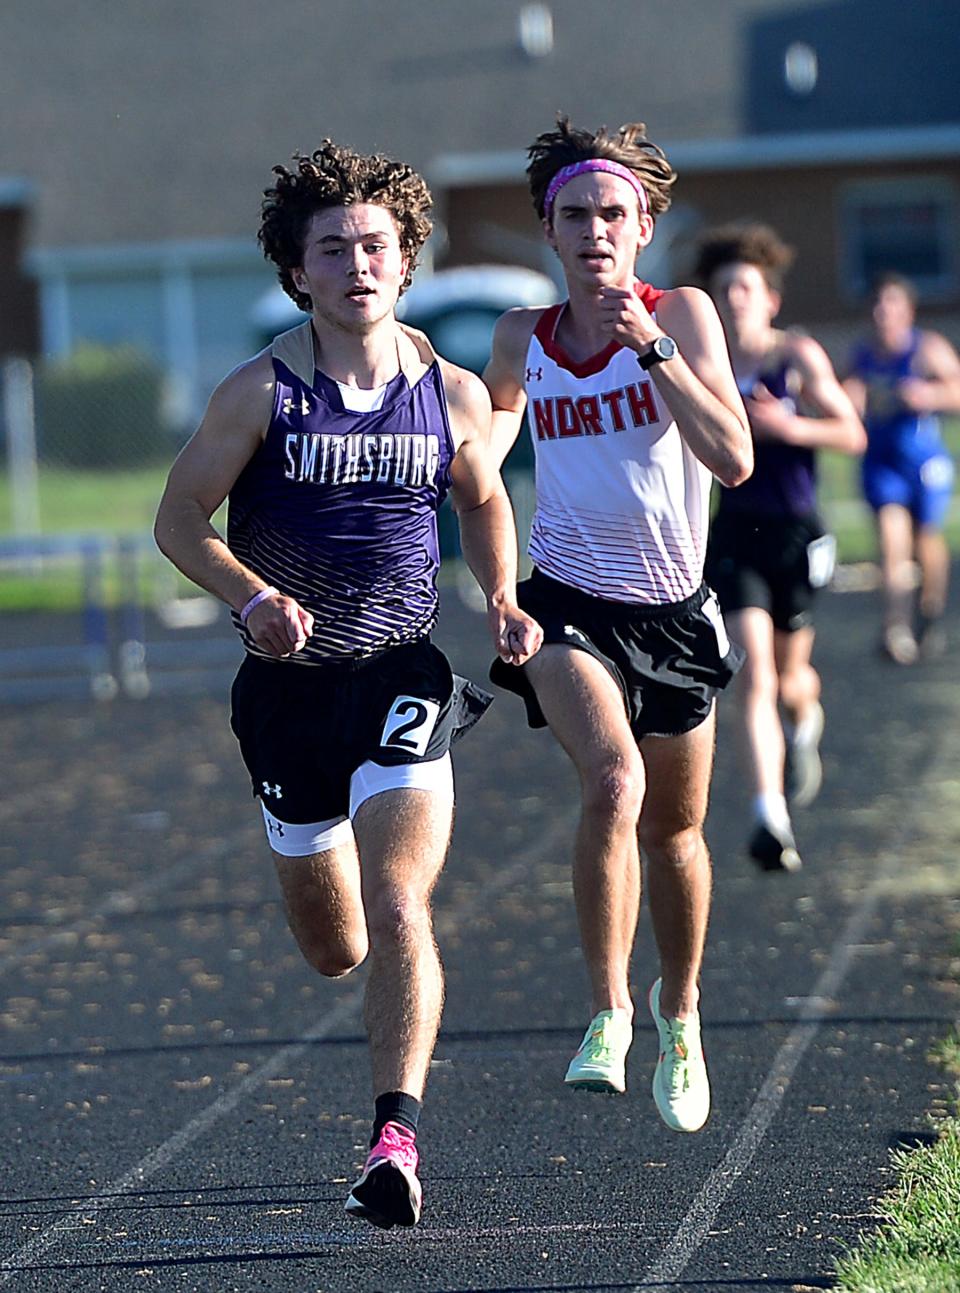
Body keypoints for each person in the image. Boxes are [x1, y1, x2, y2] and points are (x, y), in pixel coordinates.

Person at [154, 141, 542, 1230]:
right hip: (287, 699)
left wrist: (501, 597)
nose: (359, 264)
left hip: (402, 671)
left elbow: (479, 500)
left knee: (401, 897)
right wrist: (248, 598)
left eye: (377, 244)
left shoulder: (452, 395)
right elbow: (176, 519)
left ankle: (394, 1139)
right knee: (337, 949)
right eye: (335, 249)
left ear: (407, 259)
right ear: (300, 273)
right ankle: (370, 993)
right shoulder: (260, 394)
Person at [482, 116, 752, 1134]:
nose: (594, 231)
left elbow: (733, 461)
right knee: (614, 782)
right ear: (549, 233)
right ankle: (609, 1013)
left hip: (675, 613)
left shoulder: (680, 313)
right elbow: (489, 462)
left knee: (676, 831)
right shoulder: (521, 339)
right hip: (568, 605)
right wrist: (501, 586)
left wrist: (654, 350)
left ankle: (678, 1013)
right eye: (574, 216)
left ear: (644, 228)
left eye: (612, 214)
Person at [696, 223, 866, 872]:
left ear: (769, 298)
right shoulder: (704, 365)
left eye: (745, 288)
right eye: (723, 289)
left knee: (792, 678)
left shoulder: (796, 357)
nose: (735, 299)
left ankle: (805, 719)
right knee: (755, 671)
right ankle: (770, 813)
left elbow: (851, 433)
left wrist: (785, 425)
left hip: (795, 533)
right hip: (736, 532)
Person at [844, 273, 960, 664]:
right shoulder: (861, 356)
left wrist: (930, 394)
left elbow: (957, 390)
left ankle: (929, 610)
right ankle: (895, 629)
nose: (883, 312)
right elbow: (847, 396)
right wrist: (850, 401)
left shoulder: (926, 349)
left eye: (892, 303)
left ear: (907, 310)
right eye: (877, 304)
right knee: (892, 542)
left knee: (927, 540)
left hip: (924, 460)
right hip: (882, 462)